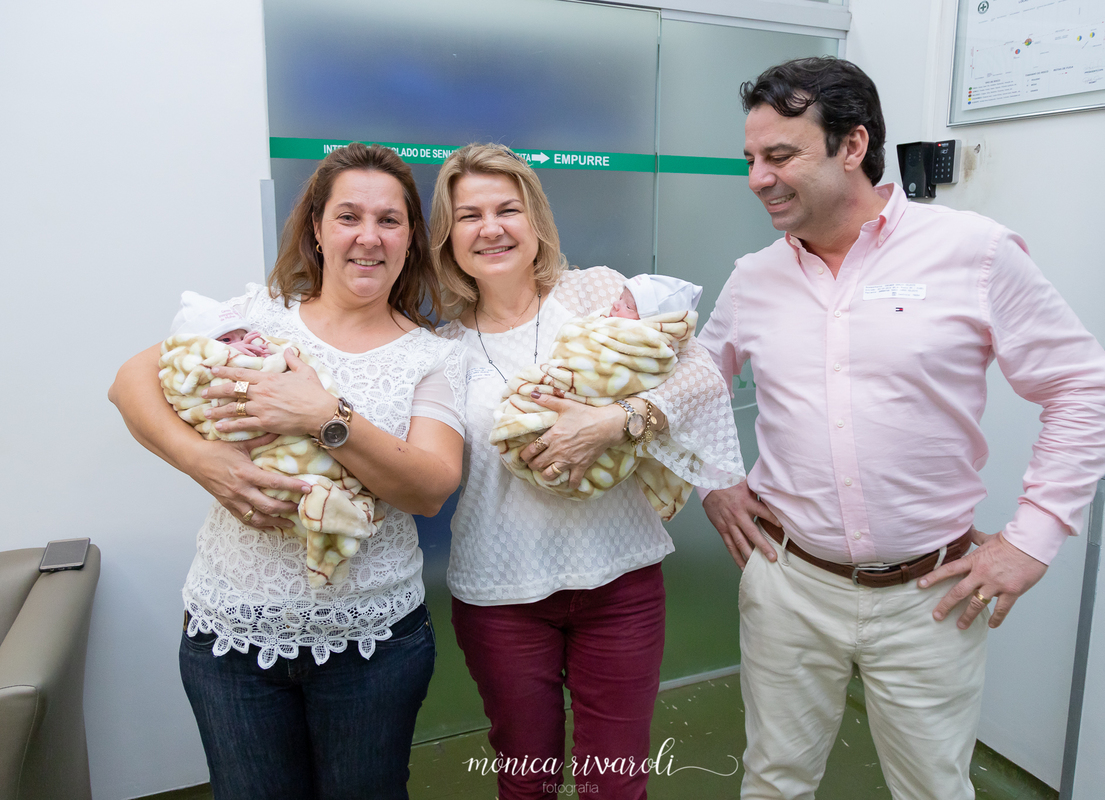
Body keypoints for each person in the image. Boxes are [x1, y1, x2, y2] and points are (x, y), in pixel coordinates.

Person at [696, 57, 1105, 800]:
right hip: (789, 584)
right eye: (751, 159)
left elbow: (1082, 388)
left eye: (781, 156)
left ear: (853, 145)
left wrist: (1032, 538)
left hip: (931, 595)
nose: (759, 178)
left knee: (933, 788)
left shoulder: (974, 251)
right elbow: (695, 387)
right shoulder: (754, 277)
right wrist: (715, 480)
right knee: (774, 781)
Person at [108, 142, 465, 800]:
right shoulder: (255, 316)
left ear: (411, 238)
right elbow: (131, 381)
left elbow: (431, 487)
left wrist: (324, 414)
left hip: (373, 646)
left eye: (389, 220)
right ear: (317, 229)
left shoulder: (433, 355)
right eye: (348, 216)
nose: (368, 236)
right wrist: (203, 461)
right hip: (230, 642)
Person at [430, 143, 744, 800]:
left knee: (616, 784)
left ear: (535, 220)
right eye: (469, 216)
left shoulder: (597, 292)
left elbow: (702, 377)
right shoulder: (439, 349)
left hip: (620, 585)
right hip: (501, 596)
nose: (491, 228)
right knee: (526, 782)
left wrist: (615, 421)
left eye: (507, 209)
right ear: (447, 237)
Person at [160, 291, 380, 587]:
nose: (240, 343)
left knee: (313, 477)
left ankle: (336, 517)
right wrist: (196, 456)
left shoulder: (433, 349)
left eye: (243, 335)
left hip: (382, 596)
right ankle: (330, 527)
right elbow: (132, 384)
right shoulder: (252, 305)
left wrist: (318, 412)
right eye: (225, 340)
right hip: (230, 585)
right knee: (288, 489)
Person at [489, 273, 703, 519]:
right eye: (620, 299)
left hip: (622, 528)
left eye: (628, 306)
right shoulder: (452, 336)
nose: (615, 304)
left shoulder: (595, 283)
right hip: (498, 526)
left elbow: (701, 388)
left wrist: (616, 422)